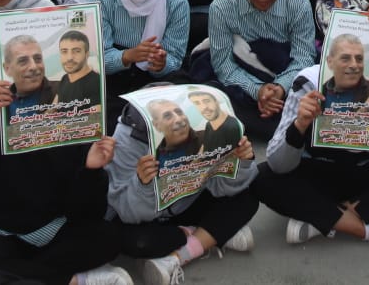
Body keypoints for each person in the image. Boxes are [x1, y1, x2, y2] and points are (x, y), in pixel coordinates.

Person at [0, 77, 127, 285]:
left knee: (107, 238)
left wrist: (91, 171)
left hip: (49, 226)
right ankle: (73, 280)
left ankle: (14, 274)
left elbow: (88, 214)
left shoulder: (77, 129)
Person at [106, 91, 259, 285]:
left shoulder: (201, 133)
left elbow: (221, 188)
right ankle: (209, 234)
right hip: (145, 217)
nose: (178, 119)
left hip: (186, 205)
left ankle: (177, 256)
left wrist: (241, 162)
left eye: (179, 112)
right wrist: (142, 184)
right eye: (167, 116)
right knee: (140, 243)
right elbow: (127, 212)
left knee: (247, 198)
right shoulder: (127, 139)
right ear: (155, 124)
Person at [256, 59, 369, 246]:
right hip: (324, 171)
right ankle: (367, 229)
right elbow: (278, 164)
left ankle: (321, 218)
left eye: (359, 58)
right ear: (330, 57)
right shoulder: (309, 81)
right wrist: (300, 124)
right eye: (345, 57)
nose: (353, 65)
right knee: (262, 177)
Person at [206, 0, 317, 142]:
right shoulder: (222, 6)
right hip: (242, 82)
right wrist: (256, 90)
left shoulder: (298, 3)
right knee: (212, 95)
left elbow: (304, 57)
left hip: (285, 78)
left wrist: (280, 88)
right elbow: (223, 63)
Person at [89, 0, 191, 110]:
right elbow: (95, 58)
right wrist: (128, 56)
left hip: (154, 79)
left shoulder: (175, 2)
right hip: (114, 77)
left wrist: (161, 64)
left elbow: (175, 57)